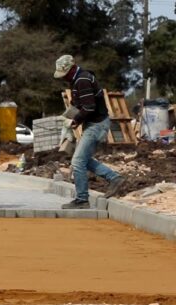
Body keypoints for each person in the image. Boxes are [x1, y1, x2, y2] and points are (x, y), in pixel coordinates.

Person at [53, 54, 126, 209]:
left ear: (72, 69)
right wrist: (68, 122)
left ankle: (82, 199)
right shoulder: (77, 80)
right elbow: (78, 106)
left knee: (78, 161)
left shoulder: (83, 80)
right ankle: (114, 178)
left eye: (65, 74)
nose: (64, 78)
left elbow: (89, 107)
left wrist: (73, 121)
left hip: (97, 124)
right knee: (82, 159)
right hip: (93, 123)